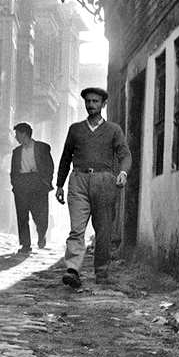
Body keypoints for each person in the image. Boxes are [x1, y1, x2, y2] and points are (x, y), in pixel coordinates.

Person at [55, 86, 131, 289]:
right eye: (88, 101)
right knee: (76, 229)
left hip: (104, 181)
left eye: (95, 101)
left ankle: (102, 271)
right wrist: (60, 184)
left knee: (103, 229)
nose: (91, 105)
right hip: (78, 180)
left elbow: (125, 155)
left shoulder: (113, 130)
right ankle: (72, 269)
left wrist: (123, 172)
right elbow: (65, 158)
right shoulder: (75, 129)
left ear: (103, 104)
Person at [10, 122, 54, 254]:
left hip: (38, 183)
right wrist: (15, 185)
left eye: (17, 134)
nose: (16, 137)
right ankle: (25, 244)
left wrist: (46, 182)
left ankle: (41, 234)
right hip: (21, 184)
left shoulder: (42, 148)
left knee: (40, 214)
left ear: (24, 134)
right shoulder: (16, 152)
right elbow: (13, 170)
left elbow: (49, 166)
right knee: (22, 216)